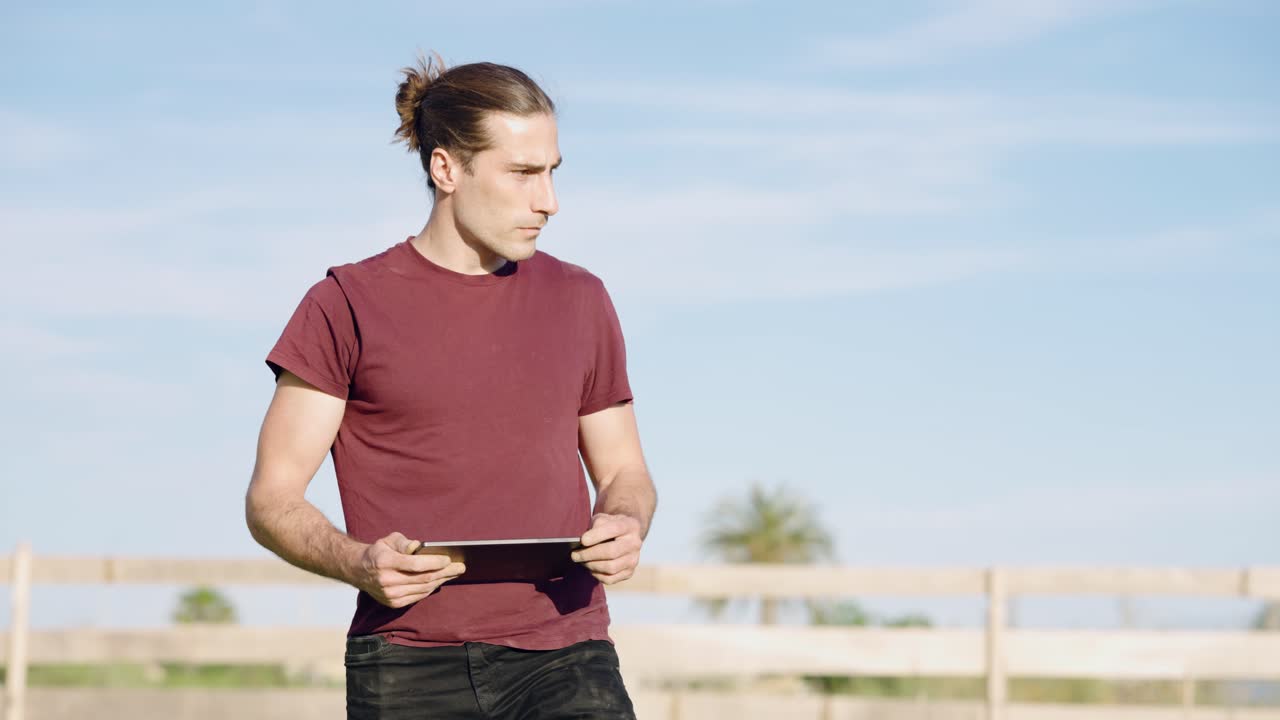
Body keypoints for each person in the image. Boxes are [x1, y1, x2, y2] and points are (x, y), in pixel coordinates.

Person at [244, 53, 657, 719]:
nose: (549, 201)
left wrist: (626, 520)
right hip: (406, 663)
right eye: (522, 173)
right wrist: (357, 563)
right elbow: (272, 499)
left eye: (552, 172)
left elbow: (625, 472)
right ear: (446, 170)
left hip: (567, 653)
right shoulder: (344, 304)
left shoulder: (583, 299)